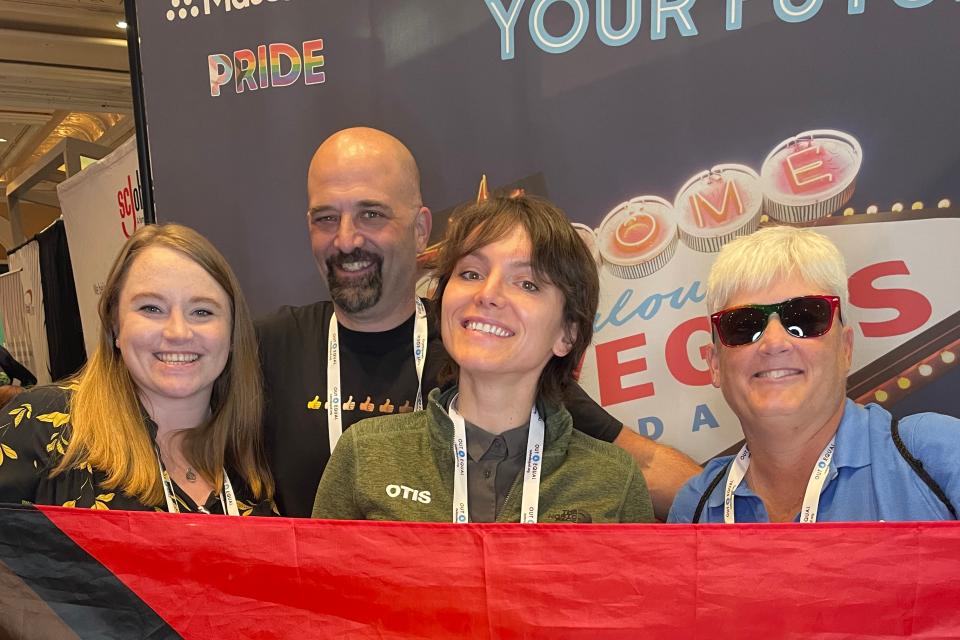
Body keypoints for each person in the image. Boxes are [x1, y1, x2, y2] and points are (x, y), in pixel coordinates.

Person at [257, 126, 699, 518]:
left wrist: (748, 514)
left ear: (420, 229)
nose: (347, 237)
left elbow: (639, 465)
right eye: (326, 217)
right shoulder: (270, 350)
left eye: (372, 214)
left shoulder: (504, 350)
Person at [313, 195, 653, 522]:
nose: (488, 294)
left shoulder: (614, 481)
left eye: (527, 283)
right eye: (471, 273)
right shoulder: (366, 454)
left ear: (567, 334)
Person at [668, 226, 960, 523]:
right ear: (714, 364)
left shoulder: (939, 455)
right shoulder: (695, 507)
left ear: (845, 348)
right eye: (744, 325)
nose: (775, 343)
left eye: (805, 318)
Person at [0, 224, 274, 514]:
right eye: (151, 308)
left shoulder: (254, 450)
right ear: (115, 324)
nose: (178, 332)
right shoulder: (42, 427)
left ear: (232, 333)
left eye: (202, 311)